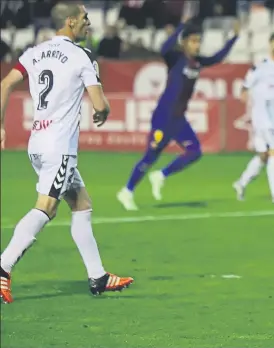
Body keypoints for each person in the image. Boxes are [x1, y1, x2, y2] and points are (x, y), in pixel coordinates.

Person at [0, 3, 134, 304]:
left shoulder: (33, 53)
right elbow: (100, 105)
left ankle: (98, 276)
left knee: (81, 204)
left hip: (38, 143)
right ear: (71, 21)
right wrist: (105, 110)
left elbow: (6, 83)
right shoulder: (82, 56)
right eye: (86, 19)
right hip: (59, 147)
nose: (89, 24)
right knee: (46, 207)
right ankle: (3, 266)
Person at [117, 18, 240, 210]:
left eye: (199, 42)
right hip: (163, 117)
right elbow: (164, 49)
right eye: (193, 41)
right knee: (150, 156)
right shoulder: (176, 59)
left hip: (178, 120)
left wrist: (235, 37)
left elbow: (217, 58)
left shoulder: (198, 62)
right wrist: (180, 27)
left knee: (194, 152)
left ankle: (161, 175)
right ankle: (127, 191)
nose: (197, 45)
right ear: (184, 43)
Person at [233, 32, 274, 205]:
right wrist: (247, 94)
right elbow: (245, 87)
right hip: (263, 119)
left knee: (263, 155)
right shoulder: (260, 67)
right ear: (271, 45)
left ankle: (241, 183)